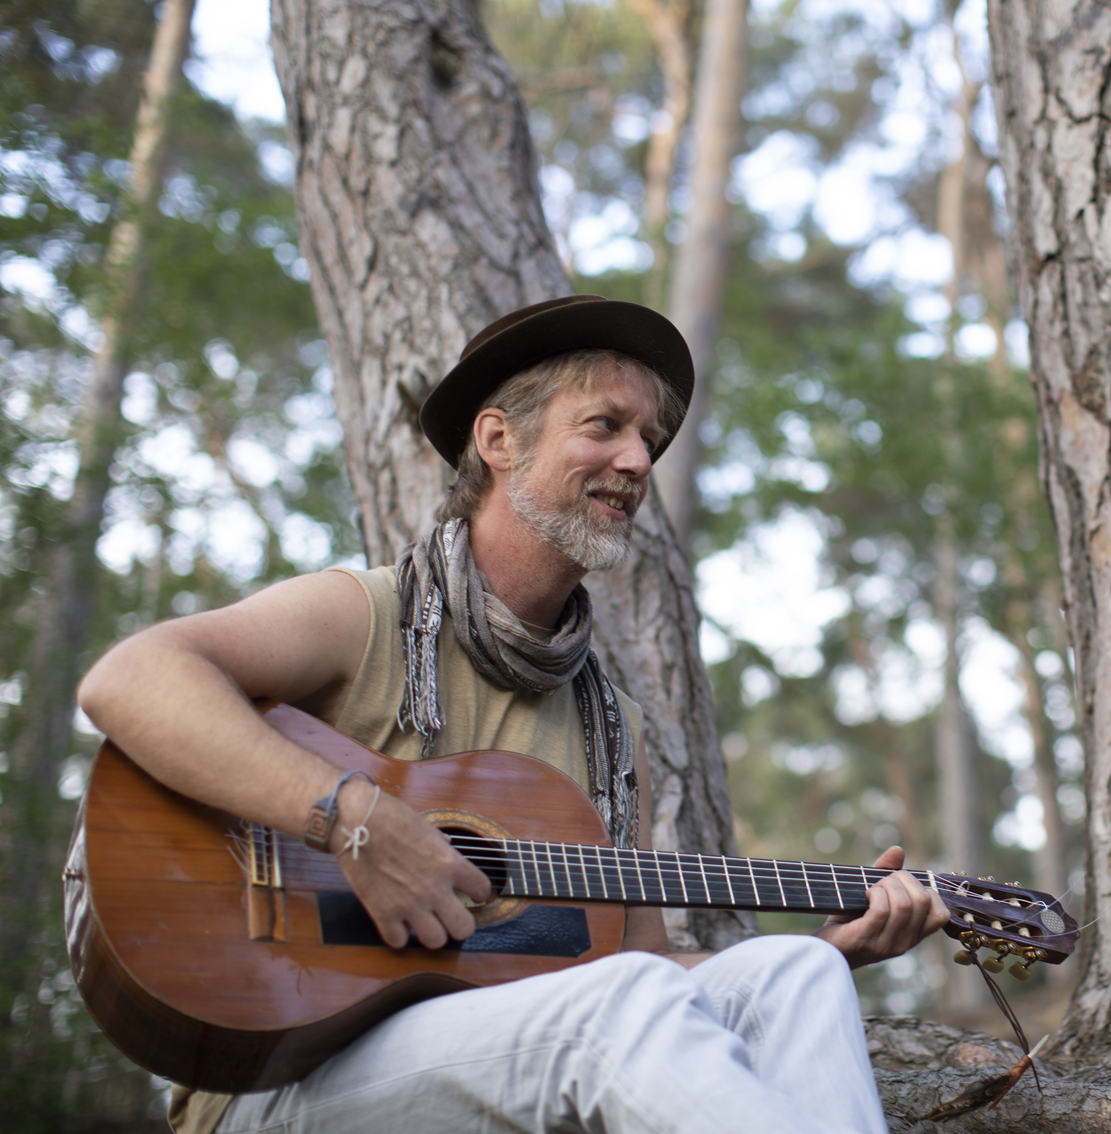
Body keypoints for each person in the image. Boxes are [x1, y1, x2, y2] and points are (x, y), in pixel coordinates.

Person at [77, 295, 949, 1134]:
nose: (640, 461)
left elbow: (636, 973)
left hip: (505, 1053)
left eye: (649, 439)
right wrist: (359, 819)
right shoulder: (366, 615)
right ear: (497, 438)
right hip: (276, 1071)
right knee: (626, 1008)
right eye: (604, 426)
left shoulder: (614, 733)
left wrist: (844, 949)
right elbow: (132, 678)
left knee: (791, 971)